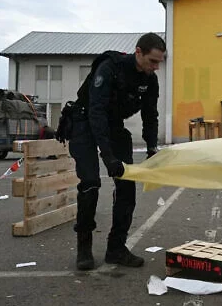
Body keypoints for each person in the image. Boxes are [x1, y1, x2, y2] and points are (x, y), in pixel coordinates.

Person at [66, 33, 165, 270]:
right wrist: (108, 156)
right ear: (138, 52)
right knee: (90, 183)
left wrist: (152, 149)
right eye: (152, 61)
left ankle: (116, 248)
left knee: (126, 184)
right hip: (85, 121)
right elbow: (96, 111)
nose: (156, 67)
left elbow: (150, 116)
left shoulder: (150, 80)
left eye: (159, 62)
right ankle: (84, 248)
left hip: (113, 125)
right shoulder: (110, 67)